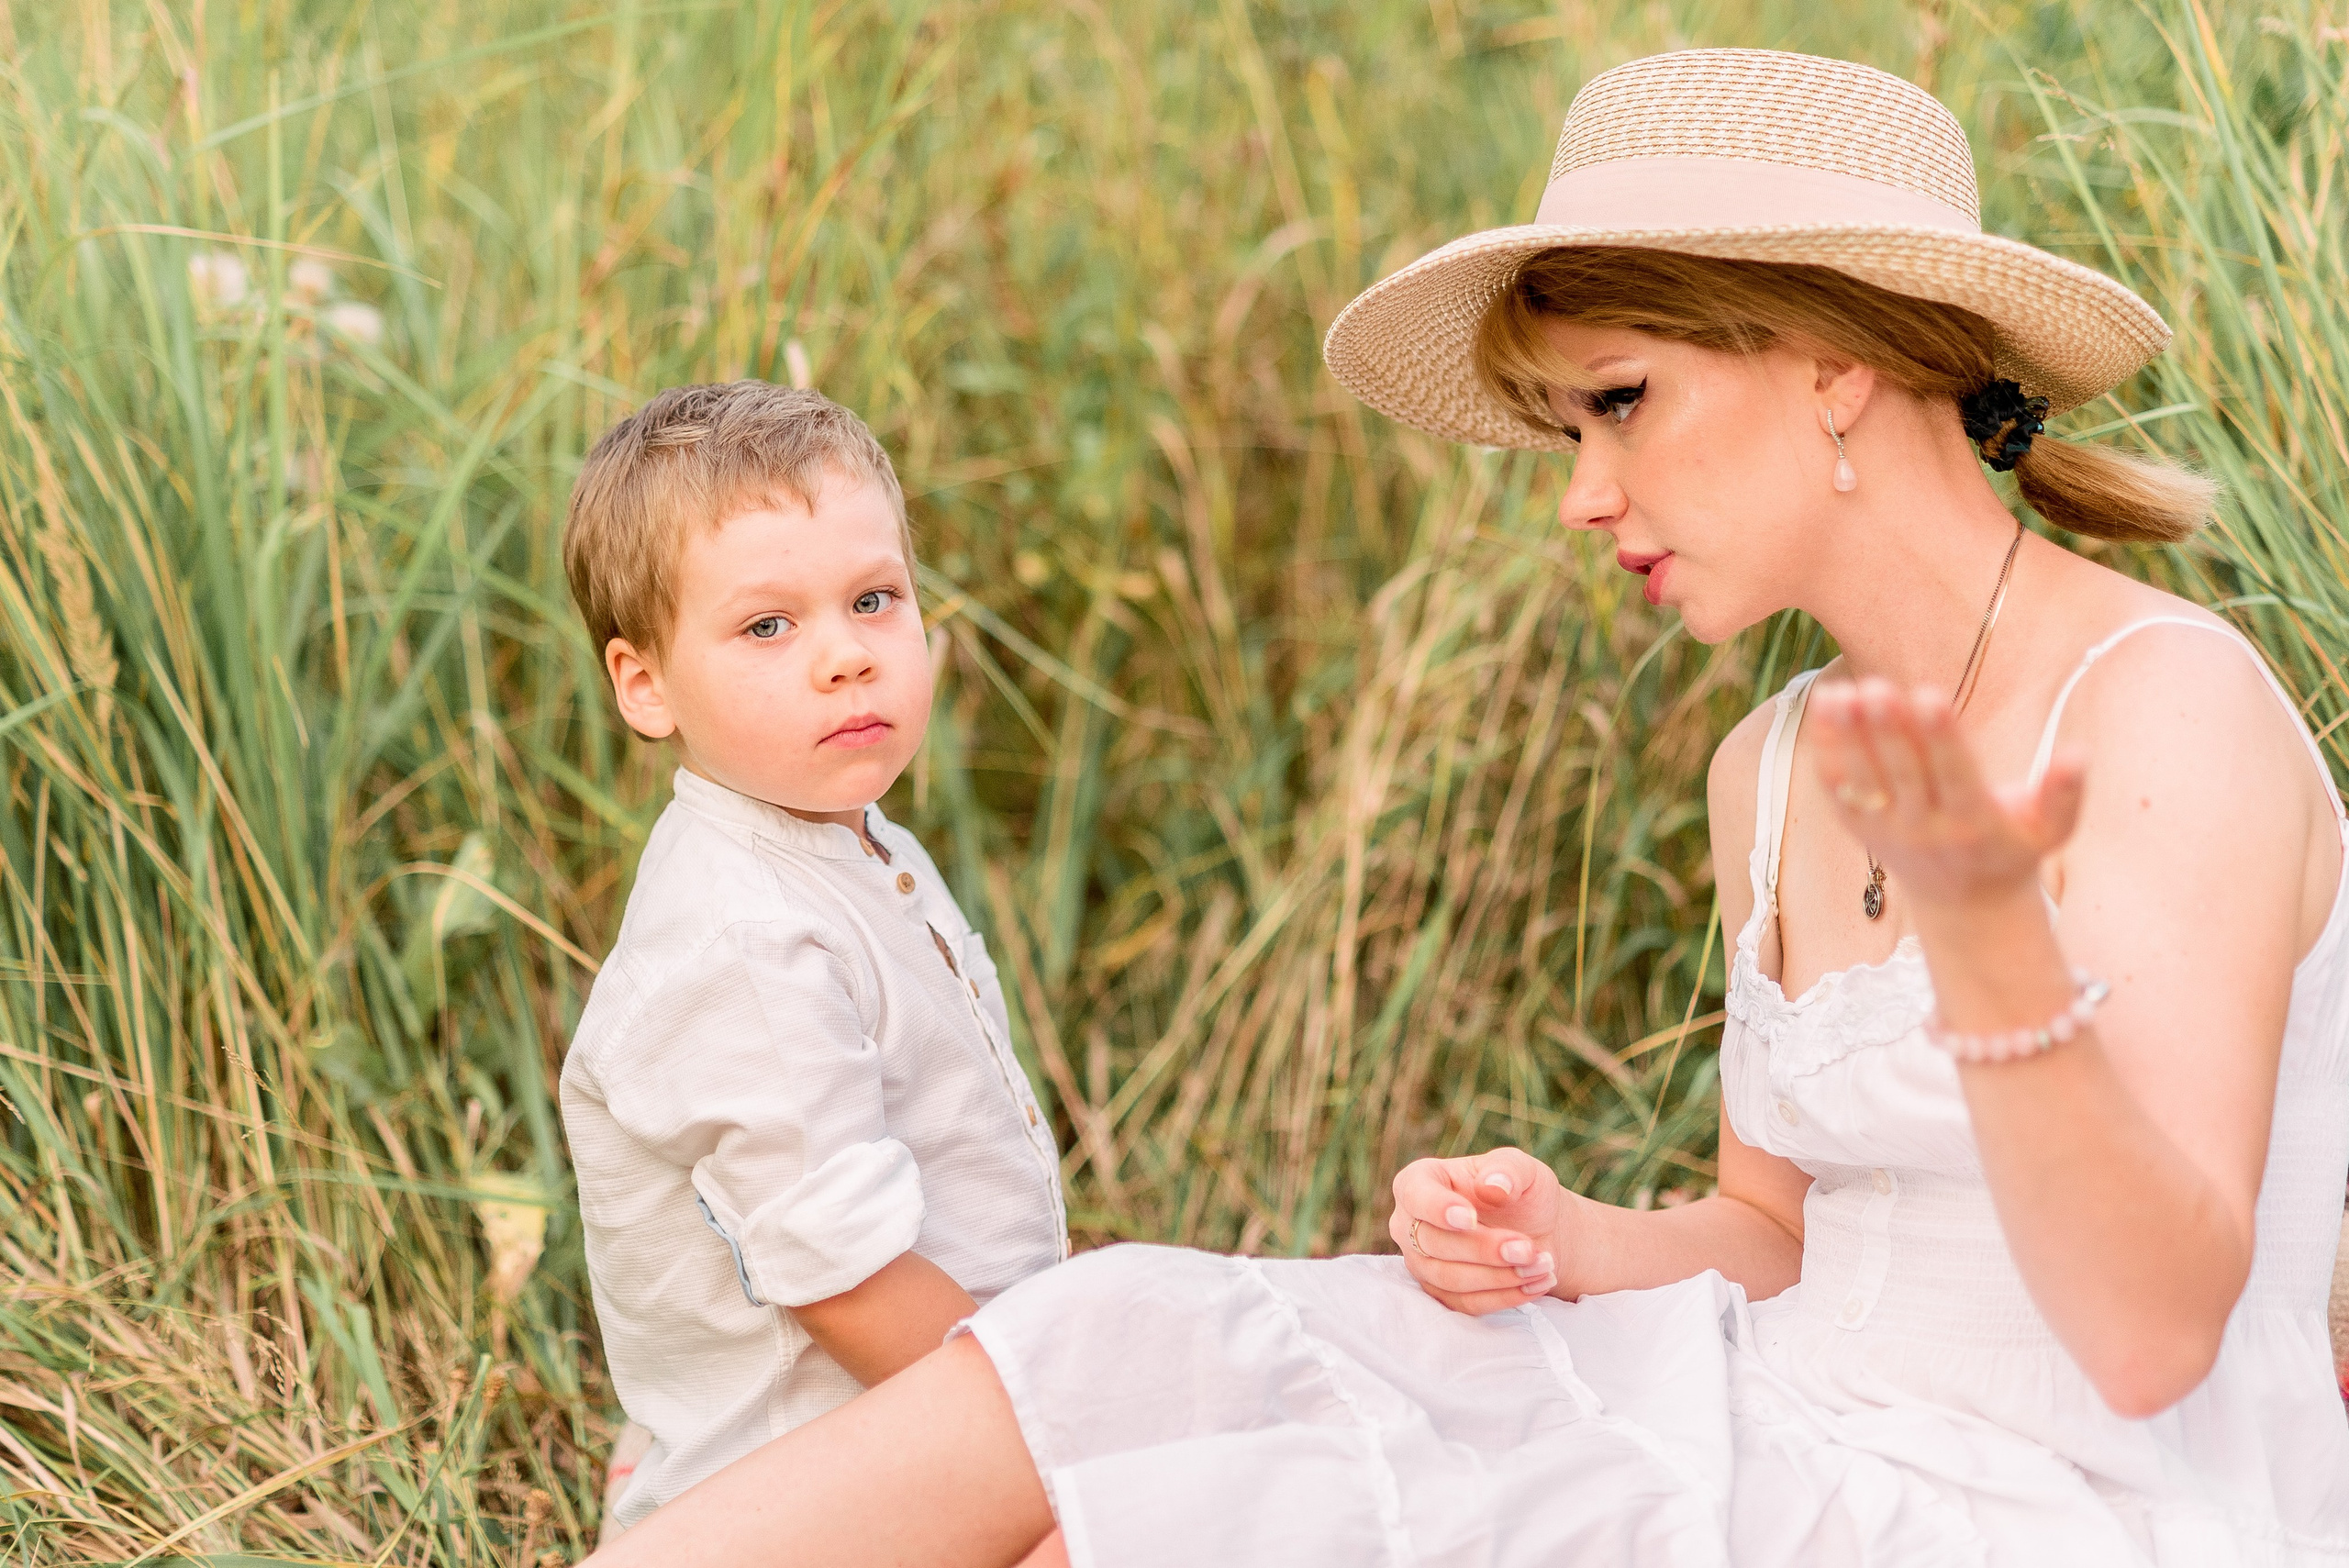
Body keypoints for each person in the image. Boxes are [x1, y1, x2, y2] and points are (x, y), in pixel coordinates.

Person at [582, 50, 2349, 1567]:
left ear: (1831, 362)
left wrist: (1986, 935)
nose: (1583, 496)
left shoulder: (2162, 706)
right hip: (1776, 1410)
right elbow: (1782, 1236)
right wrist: (1570, 1236)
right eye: (1563, 430)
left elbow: (2154, 1337)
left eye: (1620, 407)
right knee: (1141, 1352)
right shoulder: (1778, 762)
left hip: (2064, 1506)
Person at [557, 382, 1066, 1535]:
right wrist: (1051, 1414)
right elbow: (846, 1277)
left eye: (874, 599)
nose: (846, 656)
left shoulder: (847, 839)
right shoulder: (741, 936)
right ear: (646, 685)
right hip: (823, 1458)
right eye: (767, 626)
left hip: (928, 1392)